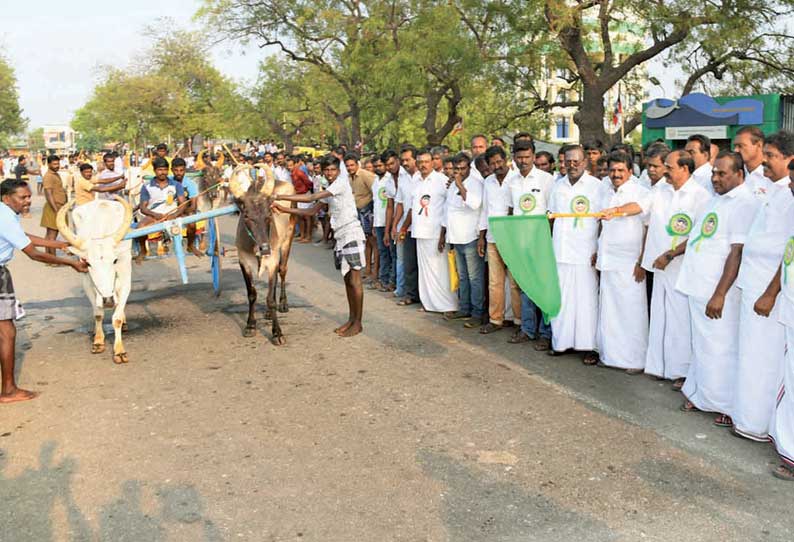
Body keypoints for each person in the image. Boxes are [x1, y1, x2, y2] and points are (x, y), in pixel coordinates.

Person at [677, 152, 760, 428]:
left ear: (739, 174)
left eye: (722, 174)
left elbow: (737, 252)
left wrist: (720, 293)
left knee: (721, 347)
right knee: (703, 345)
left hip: (718, 291)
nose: (715, 178)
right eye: (713, 173)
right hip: (698, 285)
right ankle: (701, 395)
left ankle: (724, 403)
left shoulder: (745, 203)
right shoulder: (717, 198)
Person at [1, 179, 88, 403]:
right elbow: (34, 254)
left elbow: (22, 237)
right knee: (6, 332)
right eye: (23, 197)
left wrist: (62, 244)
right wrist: (71, 263)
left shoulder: (6, 214)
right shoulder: (5, 216)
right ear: (6, 198)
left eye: (29, 196)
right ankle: (9, 390)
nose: (28, 201)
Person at [731, 133, 794, 442]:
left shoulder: (790, 193)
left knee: (766, 359)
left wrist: (771, 293)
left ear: (788, 159)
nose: (764, 160)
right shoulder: (769, 187)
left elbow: (788, 251)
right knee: (751, 355)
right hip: (752, 284)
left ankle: (762, 425)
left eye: (770, 155)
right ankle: (749, 420)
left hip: (771, 292)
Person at [271, 155, 365, 337]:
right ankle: (352, 319)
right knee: (347, 280)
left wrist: (279, 196)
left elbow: (312, 197)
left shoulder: (341, 183)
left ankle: (358, 322)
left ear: (338, 171)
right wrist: (285, 209)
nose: (329, 173)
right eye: (326, 170)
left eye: (332, 170)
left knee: (355, 280)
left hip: (351, 233)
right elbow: (311, 210)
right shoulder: (331, 189)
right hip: (341, 236)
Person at [547, 145, 606, 365]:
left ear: (585, 162)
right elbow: (552, 218)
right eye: (568, 161)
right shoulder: (557, 186)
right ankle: (561, 342)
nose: (572, 165)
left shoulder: (596, 187)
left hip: (585, 252)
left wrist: (598, 249)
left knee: (586, 301)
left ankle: (588, 346)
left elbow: (602, 222)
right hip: (561, 251)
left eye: (576, 161)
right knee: (562, 299)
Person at [597, 152, 650, 372]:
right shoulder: (606, 191)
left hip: (630, 261)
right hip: (608, 259)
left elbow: (637, 208)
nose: (616, 174)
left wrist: (641, 261)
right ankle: (610, 356)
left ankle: (635, 360)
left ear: (630, 171)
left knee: (632, 312)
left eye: (620, 170)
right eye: (612, 170)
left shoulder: (641, 191)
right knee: (610, 310)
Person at [506, 139, 555, 349]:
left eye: (527, 157)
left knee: (543, 288)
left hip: (542, 241)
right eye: (519, 157)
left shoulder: (547, 180)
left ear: (534, 157)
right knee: (525, 287)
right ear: (514, 158)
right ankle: (527, 329)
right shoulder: (512, 182)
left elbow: (553, 214)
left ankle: (546, 333)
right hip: (521, 241)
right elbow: (511, 211)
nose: (523, 161)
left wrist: (549, 241)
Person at [477, 145, 521, 333]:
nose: (497, 166)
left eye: (499, 161)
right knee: (494, 282)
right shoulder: (488, 182)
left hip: (512, 237)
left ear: (506, 160)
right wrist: (481, 237)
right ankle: (496, 319)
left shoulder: (517, 179)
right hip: (493, 237)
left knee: (515, 282)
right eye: (493, 163)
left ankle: (519, 320)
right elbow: (485, 210)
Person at [411, 149, 458, 315]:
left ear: (433, 163)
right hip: (419, 231)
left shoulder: (442, 181)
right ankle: (429, 303)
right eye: (420, 162)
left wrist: (443, 234)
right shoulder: (415, 180)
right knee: (425, 272)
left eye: (426, 161)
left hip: (436, 232)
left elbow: (449, 207)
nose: (423, 165)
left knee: (441, 270)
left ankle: (449, 305)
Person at [441, 153, 484, 323]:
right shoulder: (451, 185)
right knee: (463, 276)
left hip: (470, 237)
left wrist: (460, 185)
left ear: (469, 167)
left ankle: (477, 313)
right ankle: (464, 308)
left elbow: (475, 205)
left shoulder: (476, 183)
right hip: (455, 237)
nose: (459, 172)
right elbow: (448, 210)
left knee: (475, 278)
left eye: (462, 168)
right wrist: (443, 235)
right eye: (456, 169)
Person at [135, 158, 187, 261]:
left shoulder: (176, 185)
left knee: (192, 224)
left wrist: (175, 214)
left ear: (168, 170)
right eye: (160, 170)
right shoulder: (147, 186)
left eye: (165, 170)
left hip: (172, 214)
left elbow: (183, 204)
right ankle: (143, 250)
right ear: (154, 170)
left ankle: (190, 246)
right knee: (140, 227)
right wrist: (155, 215)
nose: (162, 172)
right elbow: (143, 208)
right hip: (154, 215)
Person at [392, 146, 420, 306]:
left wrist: (402, 226)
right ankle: (411, 295)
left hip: (422, 226)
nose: (404, 163)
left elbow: (415, 207)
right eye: (402, 160)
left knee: (422, 264)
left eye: (408, 160)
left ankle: (424, 297)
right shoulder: (402, 178)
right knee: (409, 263)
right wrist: (395, 226)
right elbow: (400, 204)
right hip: (407, 227)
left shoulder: (421, 177)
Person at [346, 154, 377, 281]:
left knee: (373, 242)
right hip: (357, 212)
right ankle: (367, 268)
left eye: (352, 165)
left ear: (357, 164)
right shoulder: (348, 177)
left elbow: (376, 192)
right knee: (365, 241)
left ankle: (374, 272)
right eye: (347, 165)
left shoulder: (365, 175)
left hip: (368, 211)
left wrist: (374, 215)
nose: (350, 167)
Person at [371, 156, 395, 291]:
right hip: (379, 222)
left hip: (389, 222)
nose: (378, 168)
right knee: (382, 252)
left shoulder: (390, 180)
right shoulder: (375, 181)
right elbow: (376, 203)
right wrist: (375, 224)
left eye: (380, 165)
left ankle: (389, 281)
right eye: (376, 166)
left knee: (391, 253)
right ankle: (383, 279)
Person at [171, 157, 202, 257]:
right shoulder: (168, 181)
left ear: (185, 170)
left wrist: (180, 213)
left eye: (181, 170)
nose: (179, 173)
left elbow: (193, 206)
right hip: (169, 210)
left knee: (192, 223)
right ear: (172, 170)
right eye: (176, 170)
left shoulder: (190, 184)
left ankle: (190, 245)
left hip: (186, 211)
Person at [40, 155, 68, 257]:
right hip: (54, 207)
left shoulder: (55, 174)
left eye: (58, 163)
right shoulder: (49, 176)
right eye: (54, 164)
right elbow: (48, 194)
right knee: (52, 235)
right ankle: (52, 258)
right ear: (49, 164)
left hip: (57, 206)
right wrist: (56, 210)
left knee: (49, 235)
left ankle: (48, 257)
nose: (57, 166)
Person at [734, 125, 772, 198]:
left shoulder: (771, 175)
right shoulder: (734, 173)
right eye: (735, 146)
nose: (736, 150)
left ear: (759, 145)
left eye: (740, 146)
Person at [289, 155, 314, 243]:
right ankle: (302, 235)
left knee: (307, 217)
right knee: (300, 217)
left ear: (296, 164)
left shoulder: (299, 173)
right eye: (288, 166)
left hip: (305, 194)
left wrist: (308, 193)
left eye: (291, 165)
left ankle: (308, 236)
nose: (289, 167)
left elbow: (308, 183)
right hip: (298, 195)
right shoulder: (292, 174)